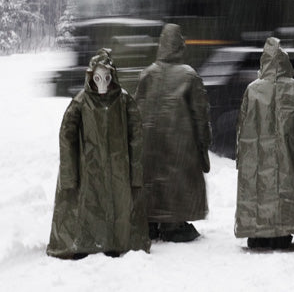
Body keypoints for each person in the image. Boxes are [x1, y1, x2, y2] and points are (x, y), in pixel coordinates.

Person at [47, 48, 149, 259]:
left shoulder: (124, 101)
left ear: (113, 77)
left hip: (117, 166)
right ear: (91, 77)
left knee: (116, 203)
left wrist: (135, 173)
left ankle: (113, 241)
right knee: (89, 203)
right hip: (89, 167)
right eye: (97, 78)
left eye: (106, 78)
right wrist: (69, 175)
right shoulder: (81, 102)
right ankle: (87, 242)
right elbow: (67, 136)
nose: (102, 84)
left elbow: (136, 136)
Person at [234, 37, 294, 249]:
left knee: (260, 189)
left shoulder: (253, 89)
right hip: (288, 152)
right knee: (285, 186)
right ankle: (282, 230)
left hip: (257, 155)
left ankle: (258, 232)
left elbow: (242, 127)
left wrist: (241, 157)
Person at [135, 24, 212, 243]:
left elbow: (135, 110)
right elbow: (200, 115)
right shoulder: (189, 76)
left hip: (149, 144)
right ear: (180, 46)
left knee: (151, 175)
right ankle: (173, 223)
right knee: (177, 177)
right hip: (179, 142)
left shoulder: (147, 74)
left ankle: (150, 221)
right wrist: (203, 144)